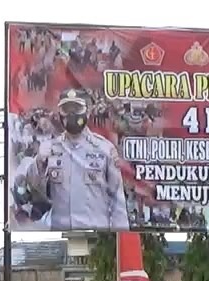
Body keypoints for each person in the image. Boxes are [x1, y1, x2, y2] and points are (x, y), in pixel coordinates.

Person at [21, 89, 129, 231]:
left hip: (97, 238)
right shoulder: (51, 148)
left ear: (87, 112)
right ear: (60, 113)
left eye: (76, 109)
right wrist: (39, 162)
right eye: (66, 109)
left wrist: (120, 237)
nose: (71, 114)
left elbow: (117, 200)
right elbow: (33, 187)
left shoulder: (105, 149)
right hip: (62, 235)